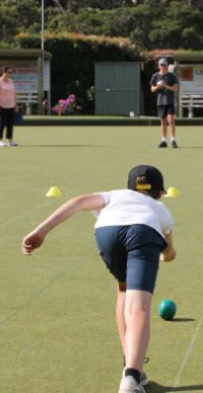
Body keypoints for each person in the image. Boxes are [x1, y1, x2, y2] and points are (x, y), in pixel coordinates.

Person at [21, 165, 177, 393]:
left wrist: (42, 231)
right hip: (143, 233)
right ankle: (131, 378)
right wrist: (165, 255)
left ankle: (131, 367)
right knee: (139, 308)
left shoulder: (115, 196)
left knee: (124, 290)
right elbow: (169, 251)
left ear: (131, 187)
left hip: (107, 232)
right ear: (160, 192)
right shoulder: (160, 208)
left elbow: (78, 202)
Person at [150, 58, 179, 148]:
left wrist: (165, 86)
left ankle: (173, 140)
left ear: (167, 66)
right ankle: (164, 141)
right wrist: (159, 86)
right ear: (159, 66)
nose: (163, 66)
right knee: (163, 122)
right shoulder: (155, 76)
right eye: (161, 65)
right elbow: (152, 89)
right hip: (160, 102)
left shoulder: (172, 76)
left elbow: (175, 88)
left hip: (169, 101)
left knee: (171, 121)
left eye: (164, 65)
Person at [0, 66, 18, 147]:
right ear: (3, 72)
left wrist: (15, 104)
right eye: (8, 72)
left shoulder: (10, 81)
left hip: (11, 105)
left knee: (10, 124)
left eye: (11, 72)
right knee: (2, 123)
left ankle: (10, 141)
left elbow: (13, 94)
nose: (10, 74)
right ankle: (0, 141)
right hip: (2, 106)